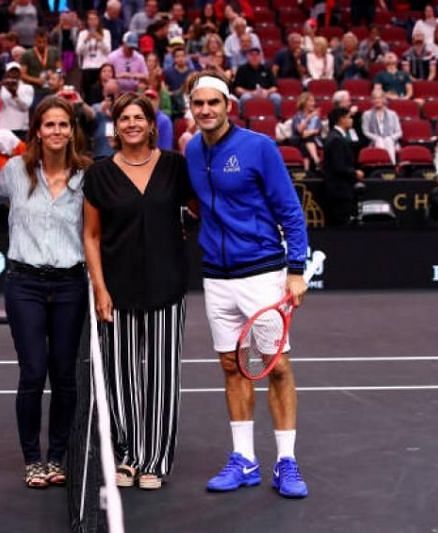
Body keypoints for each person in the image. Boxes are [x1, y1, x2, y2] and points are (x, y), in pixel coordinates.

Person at [184, 70, 311, 499]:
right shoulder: (190, 151)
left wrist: (296, 268)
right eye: (198, 104)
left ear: (228, 107)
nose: (205, 110)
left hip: (262, 273)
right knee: (231, 367)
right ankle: (244, 460)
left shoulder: (259, 148)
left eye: (212, 103)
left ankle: (287, 462)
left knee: (276, 368)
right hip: (216, 278)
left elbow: (290, 210)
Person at [83, 93, 194, 491]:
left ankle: (156, 459)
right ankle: (128, 455)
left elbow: (201, 208)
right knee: (121, 377)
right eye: (124, 118)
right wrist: (99, 286)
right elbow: (91, 236)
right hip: (118, 288)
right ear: (115, 127)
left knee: (163, 377)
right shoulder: (98, 174)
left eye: (138, 117)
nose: (131, 123)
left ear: (152, 125)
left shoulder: (175, 167)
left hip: (167, 286)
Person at [0, 96, 91, 488]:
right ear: (36, 130)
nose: (56, 132)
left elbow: (97, 232)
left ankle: (58, 456)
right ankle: (33, 458)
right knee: (33, 372)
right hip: (24, 284)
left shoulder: (86, 175)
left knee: (65, 376)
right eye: (49, 125)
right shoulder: (15, 170)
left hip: (70, 285)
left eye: (63, 125)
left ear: (72, 130)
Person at [323, 106, 365, 226]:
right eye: (349, 117)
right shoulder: (336, 139)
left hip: (337, 189)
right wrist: (355, 173)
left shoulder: (335, 136)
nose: (352, 120)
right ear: (341, 119)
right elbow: (339, 166)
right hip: (339, 190)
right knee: (341, 226)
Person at [234, 46, 283, 114]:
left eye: (257, 55)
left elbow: (274, 87)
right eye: (252, 55)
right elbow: (237, 89)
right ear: (247, 57)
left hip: (265, 93)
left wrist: (267, 91)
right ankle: (243, 118)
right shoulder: (242, 70)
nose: (254, 57)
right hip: (249, 93)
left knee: (277, 97)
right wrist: (252, 93)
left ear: (261, 57)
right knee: (244, 98)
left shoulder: (267, 68)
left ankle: (277, 118)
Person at [76, 10, 112, 100]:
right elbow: (78, 51)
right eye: (90, 19)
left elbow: (108, 50)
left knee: (101, 94)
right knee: (87, 94)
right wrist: (86, 40)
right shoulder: (83, 34)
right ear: (87, 21)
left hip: (101, 67)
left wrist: (100, 38)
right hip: (87, 68)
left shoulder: (106, 33)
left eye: (95, 19)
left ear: (98, 20)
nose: (92, 22)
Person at [0, 62, 34, 140]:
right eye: (11, 72)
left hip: (21, 128)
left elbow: (25, 107)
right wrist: (0, 88)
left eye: (16, 72)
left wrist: (14, 95)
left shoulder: (28, 88)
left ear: (20, 74)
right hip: (3, 128)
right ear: (6, 73)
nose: (13, 74)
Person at [361, 89, 402, 164]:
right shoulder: (367, 114)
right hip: (375, 142)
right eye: (375, 98)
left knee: (388, 141)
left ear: (384, 99)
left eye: (379, 98)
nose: (377, 100)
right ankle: (383, 164)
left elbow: (399, 132)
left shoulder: (393, 114)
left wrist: (390, 138)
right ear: (372, 100)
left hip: (391, 142)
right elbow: (365, 131)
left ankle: (391, 165)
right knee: (379, 141)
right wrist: (376, 138)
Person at [291, 92, 322, 171]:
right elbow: (300, 130)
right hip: (298, 140)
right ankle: (316, 159)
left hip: (314, 141)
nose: (313, 103)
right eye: (311, 101)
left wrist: (307, 133)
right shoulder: (297, 116)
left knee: (307, 140)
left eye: (314, 101)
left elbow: (317, 131)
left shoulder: (316, 118)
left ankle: (306, 171)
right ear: (304, 102)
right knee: (305, 140)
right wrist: (309, 117)